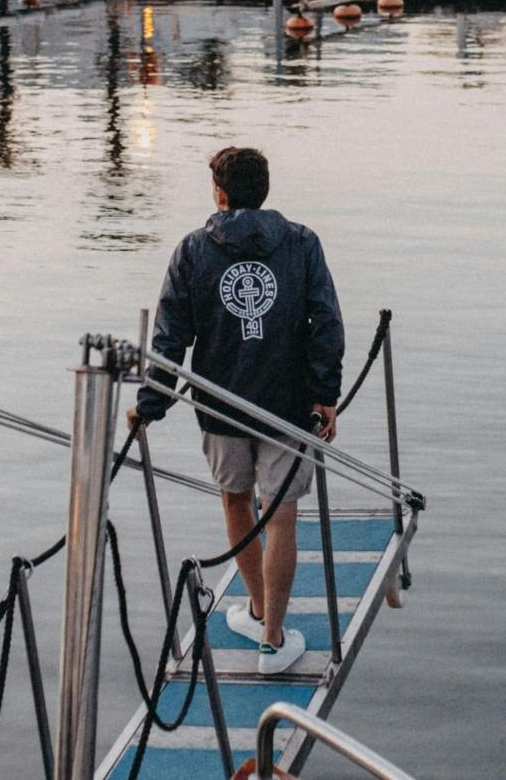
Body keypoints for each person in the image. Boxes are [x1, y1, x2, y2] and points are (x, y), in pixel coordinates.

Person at [131, 147, 344, 676]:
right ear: (265, 189)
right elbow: (326, 322)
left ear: (220, 194)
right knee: (283, 512)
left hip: (220, 402)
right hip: (287, 404)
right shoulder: (302, 244)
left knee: (236, 501)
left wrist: (149, 404)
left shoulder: (192, 251)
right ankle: (272, 638)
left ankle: (255, 608)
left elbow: (169, 337)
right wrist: (325, 394)